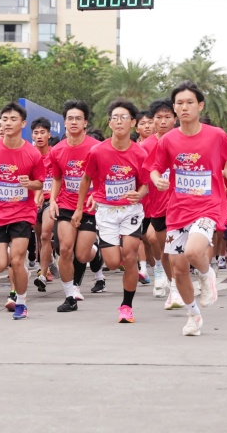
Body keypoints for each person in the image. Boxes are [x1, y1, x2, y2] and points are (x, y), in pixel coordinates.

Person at [150, 81, 227, 336]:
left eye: (189, 102)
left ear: (200, 105)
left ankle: (207, 275)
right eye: (179, 103)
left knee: (193, 251)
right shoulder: (168, 140)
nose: (184, 107)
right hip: (178, 210)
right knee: (178, 270)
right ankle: (193, 316)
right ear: (174, 107)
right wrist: (156, 179)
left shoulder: (216, 135)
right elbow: (154, 167)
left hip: (208, 206)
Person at [74, 99, 150, 323]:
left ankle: (127, 306)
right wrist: (79, 208)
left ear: (133, 123)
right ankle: (100, 253)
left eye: (124, 117)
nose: (119, 121)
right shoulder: (97, 151)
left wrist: (140, 194)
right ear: (109, 123)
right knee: (114, 262)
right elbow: (86, 179)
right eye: (114, 118)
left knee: (130, 256)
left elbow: (145, 184)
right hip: (106, 211)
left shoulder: (140, 154)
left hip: (130, 210)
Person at [0, 102, 46, 320]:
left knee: (16, 260)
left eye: (13, 119)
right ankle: (19, 268)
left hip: (22, 213)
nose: (7, 123)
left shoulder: (32, 153)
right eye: (4, 119)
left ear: (23, 123)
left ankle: (21, 302)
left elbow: (40, 182)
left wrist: (29, 184)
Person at [49, 100, 100, 313]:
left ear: (85, 122)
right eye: (70, 118)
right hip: (66, 204)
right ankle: (70, 296)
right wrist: (52, 200)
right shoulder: (56, 150)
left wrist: (96, 194)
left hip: (89, 206)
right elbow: (57, 178)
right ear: (64, 122)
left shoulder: (95, 148)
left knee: (81, 255)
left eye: (78, 118)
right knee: (65, 249)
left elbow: (102, 176)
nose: (74, 122)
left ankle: (95, 253)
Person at [140, 99, 176, 302]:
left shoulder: (182, 139)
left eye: (167, 117)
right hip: (154, 202)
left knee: (174, 246)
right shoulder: (146, 145)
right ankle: (162, 271)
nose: (163, 121)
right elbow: (142, 175)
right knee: (154, 240)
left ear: (175, 119)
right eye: (158, 118)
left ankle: (179, 282)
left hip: (180, 203)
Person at [31, 117, 56, 292]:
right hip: (33, 203)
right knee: (40, 238)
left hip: (50, 201)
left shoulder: (55, 154)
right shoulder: (29, 154)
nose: (39, 136)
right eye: (36, 133)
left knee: (46, 236)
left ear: (49, 134)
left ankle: (43, 274)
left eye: (42, 132)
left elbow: (59, 178)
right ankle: (49, 261)